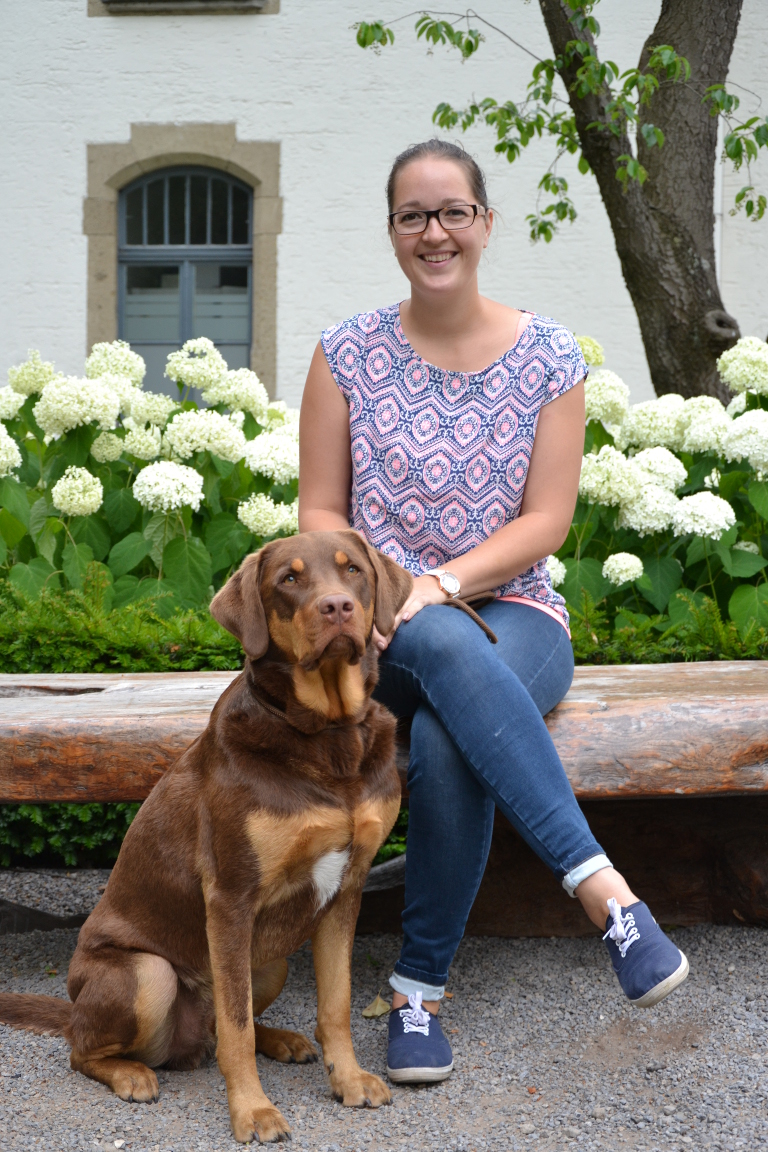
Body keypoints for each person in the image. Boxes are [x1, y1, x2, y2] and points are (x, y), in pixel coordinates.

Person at [299, 138, 688, 1086]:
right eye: (413, 216)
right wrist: (392, 589)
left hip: (517, 616)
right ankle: (609, 898)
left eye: (452, 212)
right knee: (428, 636)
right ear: (392, 232)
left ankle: (418, 995)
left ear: (484, 223)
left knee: (441, 744)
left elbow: (547, 522)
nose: (434, 232)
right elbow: (319, 511)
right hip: (378, 630)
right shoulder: (345, 354)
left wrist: (441, 581)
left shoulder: (549, 356)